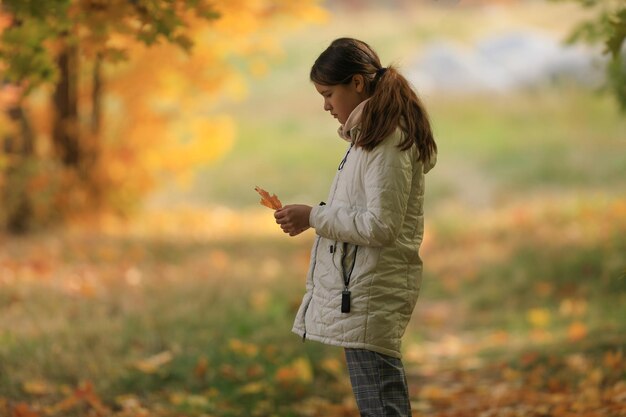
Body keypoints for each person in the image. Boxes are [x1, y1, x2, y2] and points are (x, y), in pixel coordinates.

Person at [274, 37, 437, 417]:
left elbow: (382, 225)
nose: (326, 106)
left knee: (382, 406)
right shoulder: (368, 139)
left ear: (357, 84)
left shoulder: (387, 141)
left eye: (329, 93)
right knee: (379, 405)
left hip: (370, 293)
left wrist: (313, 217)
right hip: (361, 291)